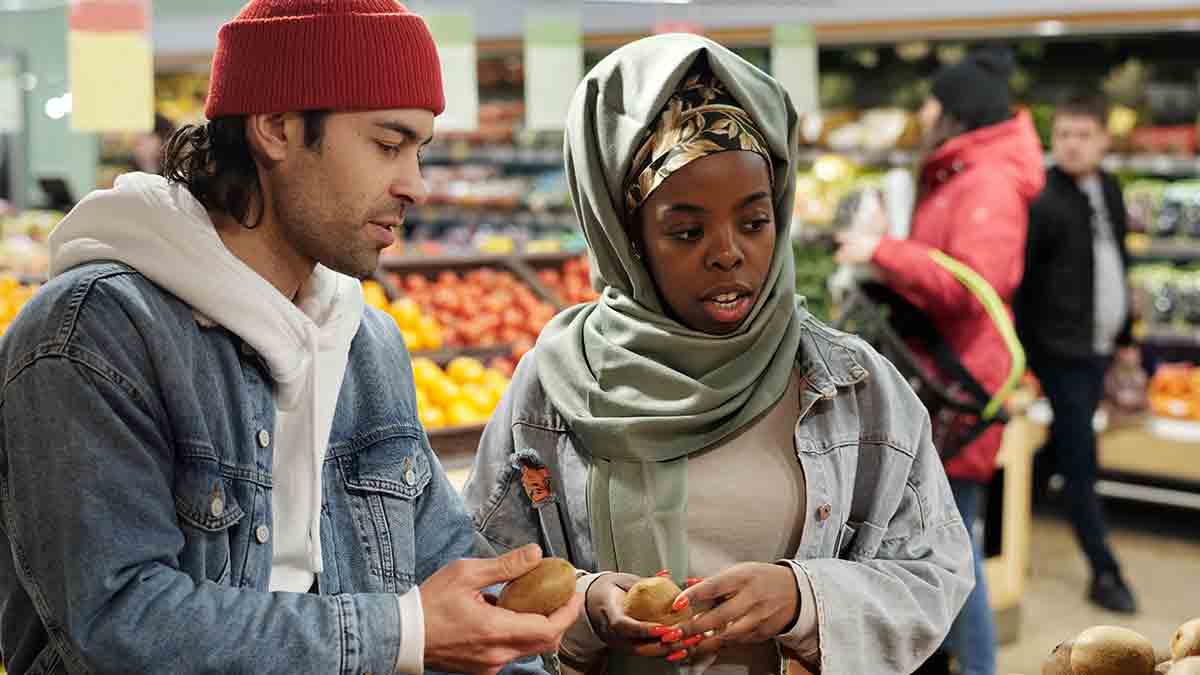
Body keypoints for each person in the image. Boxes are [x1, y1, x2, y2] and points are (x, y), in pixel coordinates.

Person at [0, 2, 581, 673]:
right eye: (387, 146)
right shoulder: (93, 336)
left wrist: (578, 604)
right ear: (275, 126)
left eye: (420, 150)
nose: (415, 185)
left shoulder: (366, 343)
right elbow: (119, 623)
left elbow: (448, 567)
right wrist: (400, 631)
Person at [464, 34, 973, 675]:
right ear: (629, 238)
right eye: (687, 230)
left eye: (755, 222)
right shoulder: (555, 387)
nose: (729, 253)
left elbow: (936, 576)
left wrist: (804, 599)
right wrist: (586, 604)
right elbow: (478, 575)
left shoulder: (853, 388)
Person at [835, 47, 1046, 675]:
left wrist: (885, 251)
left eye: (930, 102)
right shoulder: (960, 174)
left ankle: (979, 668)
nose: (921, 113)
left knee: (954, 549)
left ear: (954, 113)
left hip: (961, 387)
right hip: (948, 379)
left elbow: (977, 281)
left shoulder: (986, 182)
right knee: (945, 543)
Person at [1014, 89, 1137, 614]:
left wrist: (1127, 336)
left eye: (1083, 135)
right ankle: (1105, 571)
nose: (1071, 144)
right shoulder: (1043, 199)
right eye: (1063, 134)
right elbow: (1023, 283)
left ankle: (1001, 521)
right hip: (1061, 352)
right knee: (1081, 459)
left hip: (1099, 348)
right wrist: (1024, 358)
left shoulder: (1109, 188)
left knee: (1060, 447)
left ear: (1104, 140)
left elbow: (1118, 262)